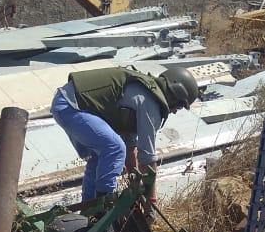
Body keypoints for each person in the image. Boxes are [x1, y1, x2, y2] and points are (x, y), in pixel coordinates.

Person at [50, 66, 200, 202]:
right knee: (114, 148)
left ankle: (88, 208)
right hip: (71, 106)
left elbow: (130, 148)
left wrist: (134, 181)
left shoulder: (143, 91)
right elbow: (147, 159)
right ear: (174, 93)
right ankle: (104, 206)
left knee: (99, 157)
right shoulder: (150, 103)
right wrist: (151, 201)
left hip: (65, 103)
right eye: (179, 106)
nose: (174, 111)